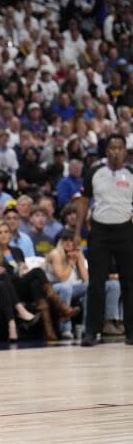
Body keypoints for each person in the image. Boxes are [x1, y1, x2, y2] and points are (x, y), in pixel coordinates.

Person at [73, 134, 133, 346]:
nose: (116, 151)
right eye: (112, 147)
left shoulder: (131, 173)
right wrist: (77, 232)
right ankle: (91, 332)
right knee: (96, 284)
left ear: (125, 151)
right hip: (100, 231)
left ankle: (131, 332)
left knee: (129, 282)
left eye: (120, 148)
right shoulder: (94, 172)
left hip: (126, 231)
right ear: (106, 150)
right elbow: (83, 202)